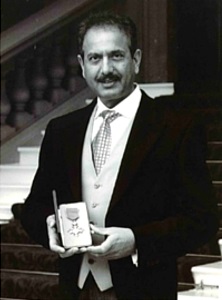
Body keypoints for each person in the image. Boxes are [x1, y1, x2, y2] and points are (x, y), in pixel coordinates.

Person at [21, 11, 219, 300]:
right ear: (82, 65)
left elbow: (203, 219)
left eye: (116, 56)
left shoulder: (176, 127)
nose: (106, 69)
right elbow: (34, 206)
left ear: (136, 59)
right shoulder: (61, 130)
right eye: (95, 58)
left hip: (142, 289)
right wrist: (48, 225)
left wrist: (137, 241)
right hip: (74, 290)